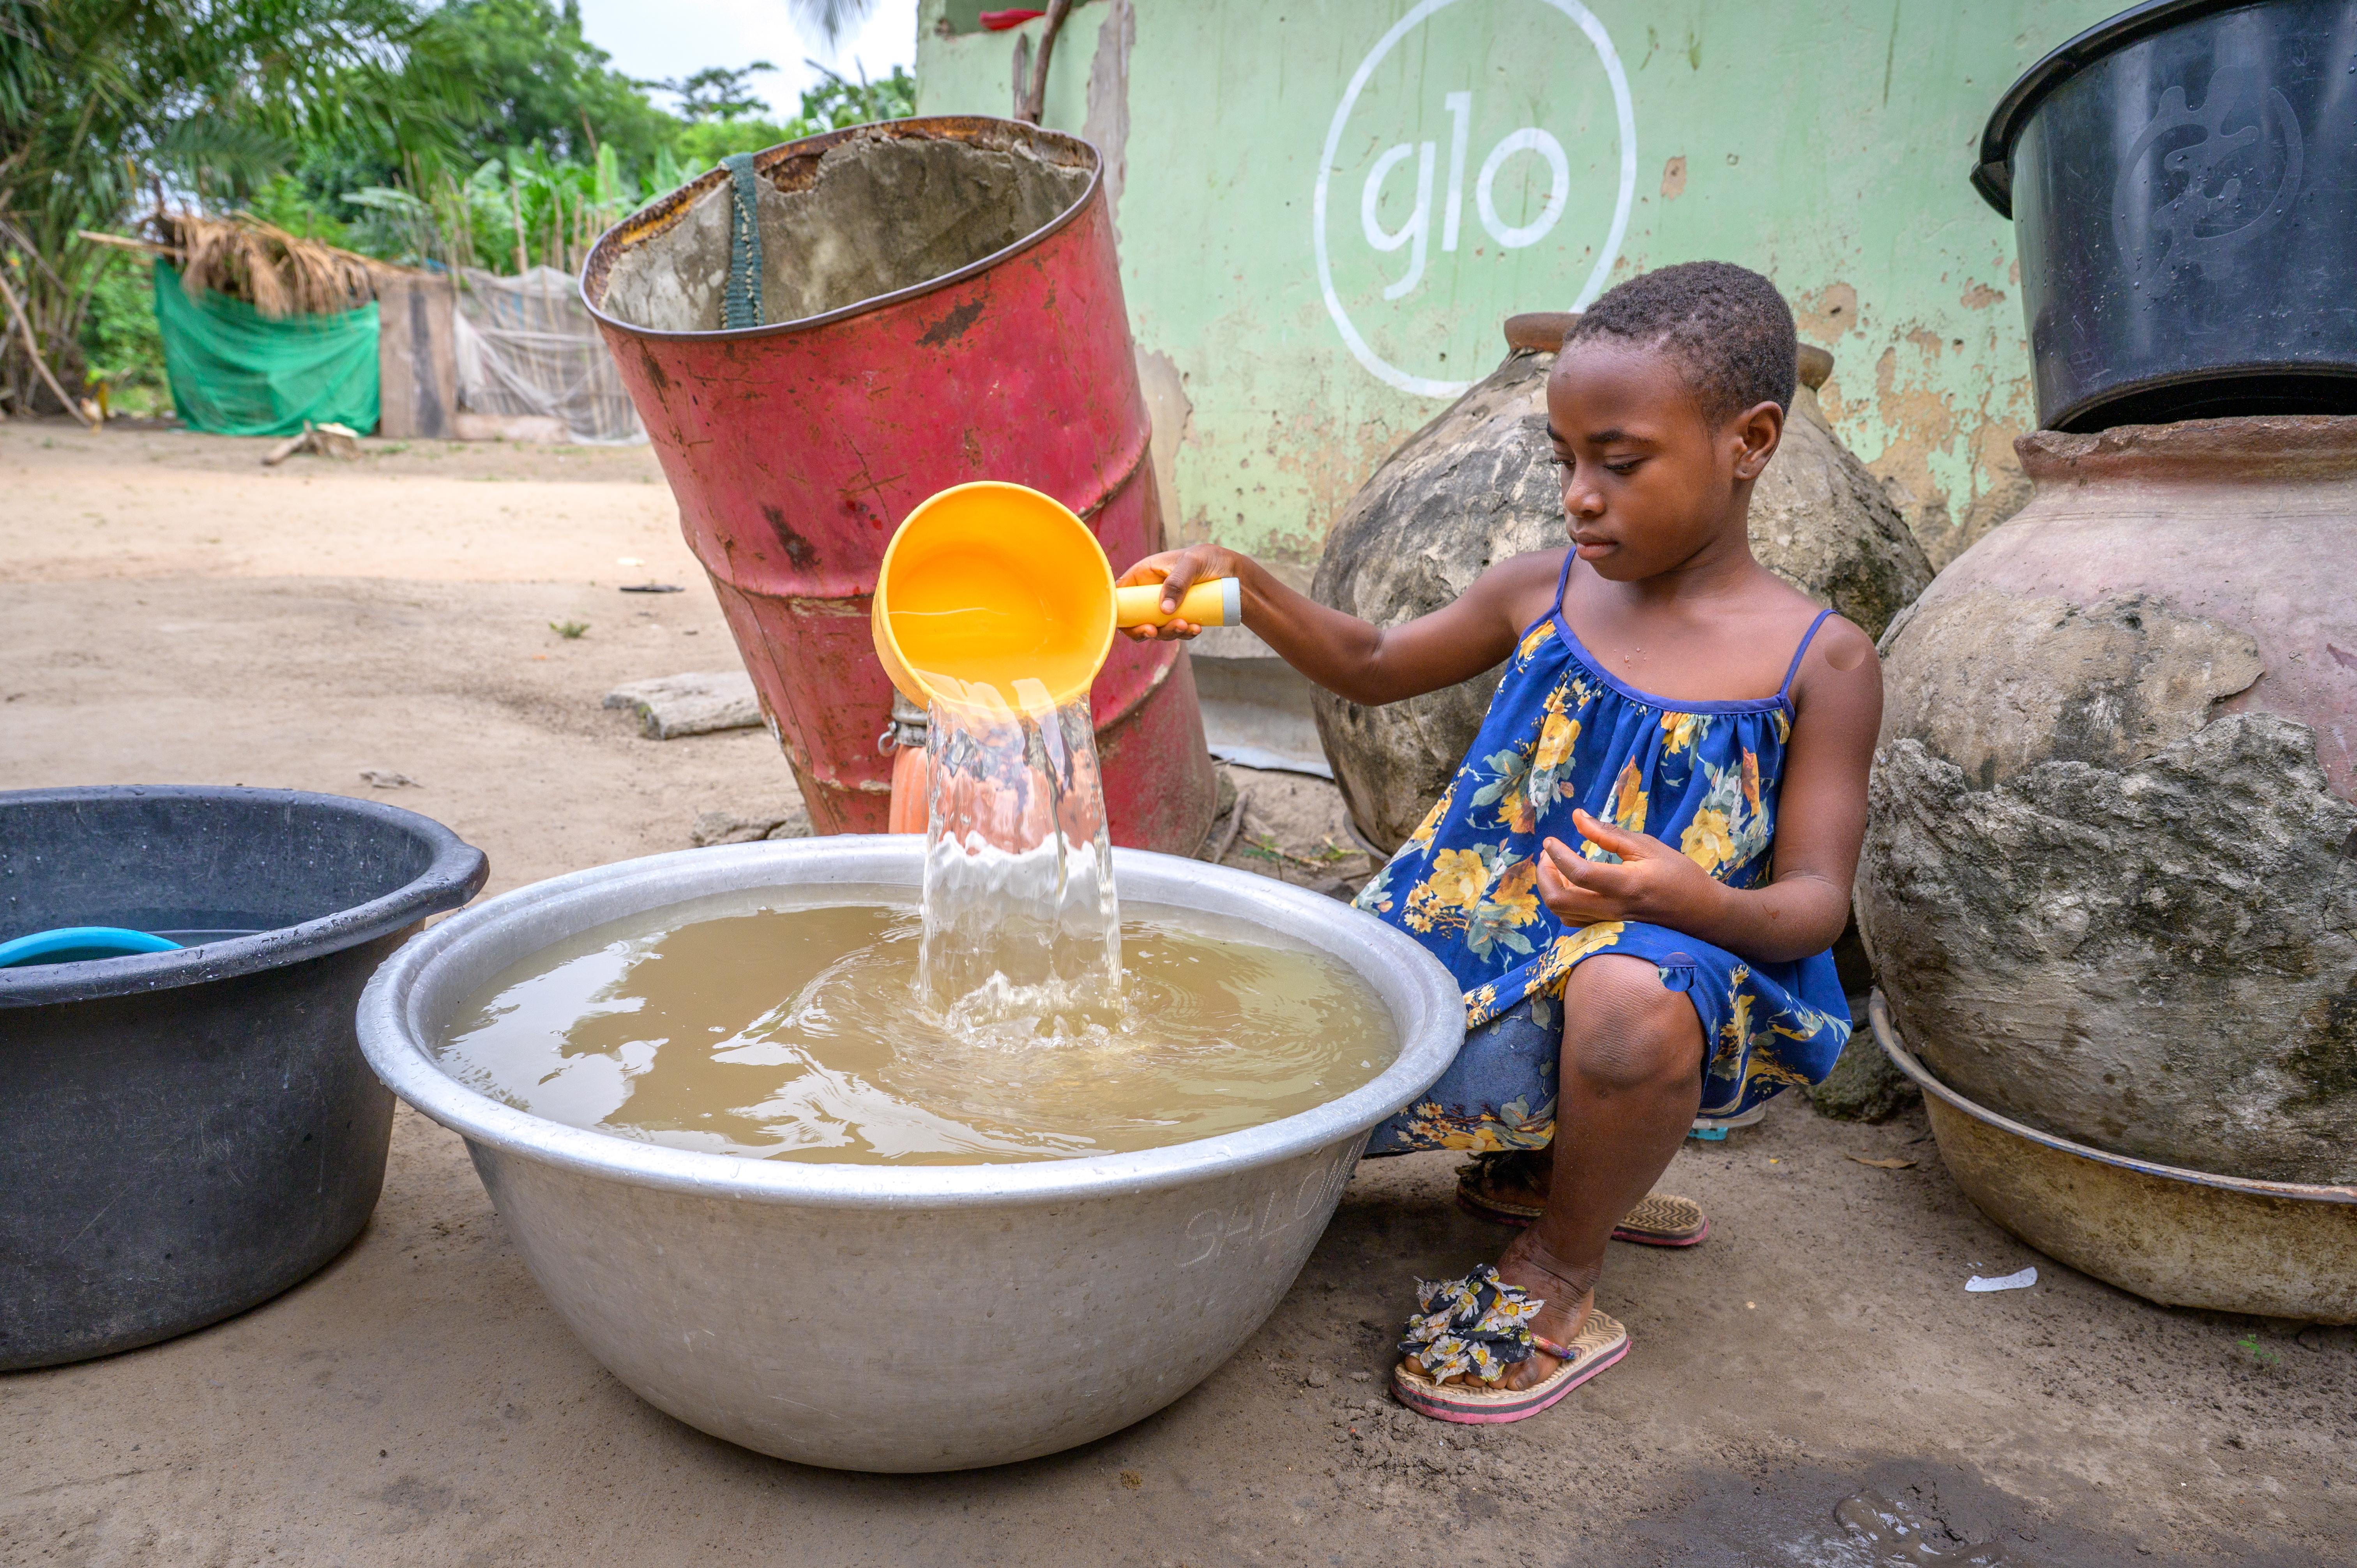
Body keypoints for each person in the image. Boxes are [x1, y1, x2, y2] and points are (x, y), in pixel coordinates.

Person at [1116, 261, 1881, 1424]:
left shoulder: (1820, 664)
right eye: (1565, 459)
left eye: (1618, 463)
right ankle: (1548, 1170)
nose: (1580, 495)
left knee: (1628, 1004)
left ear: (1751, 440)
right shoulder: (1542, 589)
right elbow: (1371, 663)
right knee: (1242, 1100)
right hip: (1464, 954)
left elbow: (1818, 903)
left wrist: (1687, 898)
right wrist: (1245, 587)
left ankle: (1565, 1267)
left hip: (1672, 976)